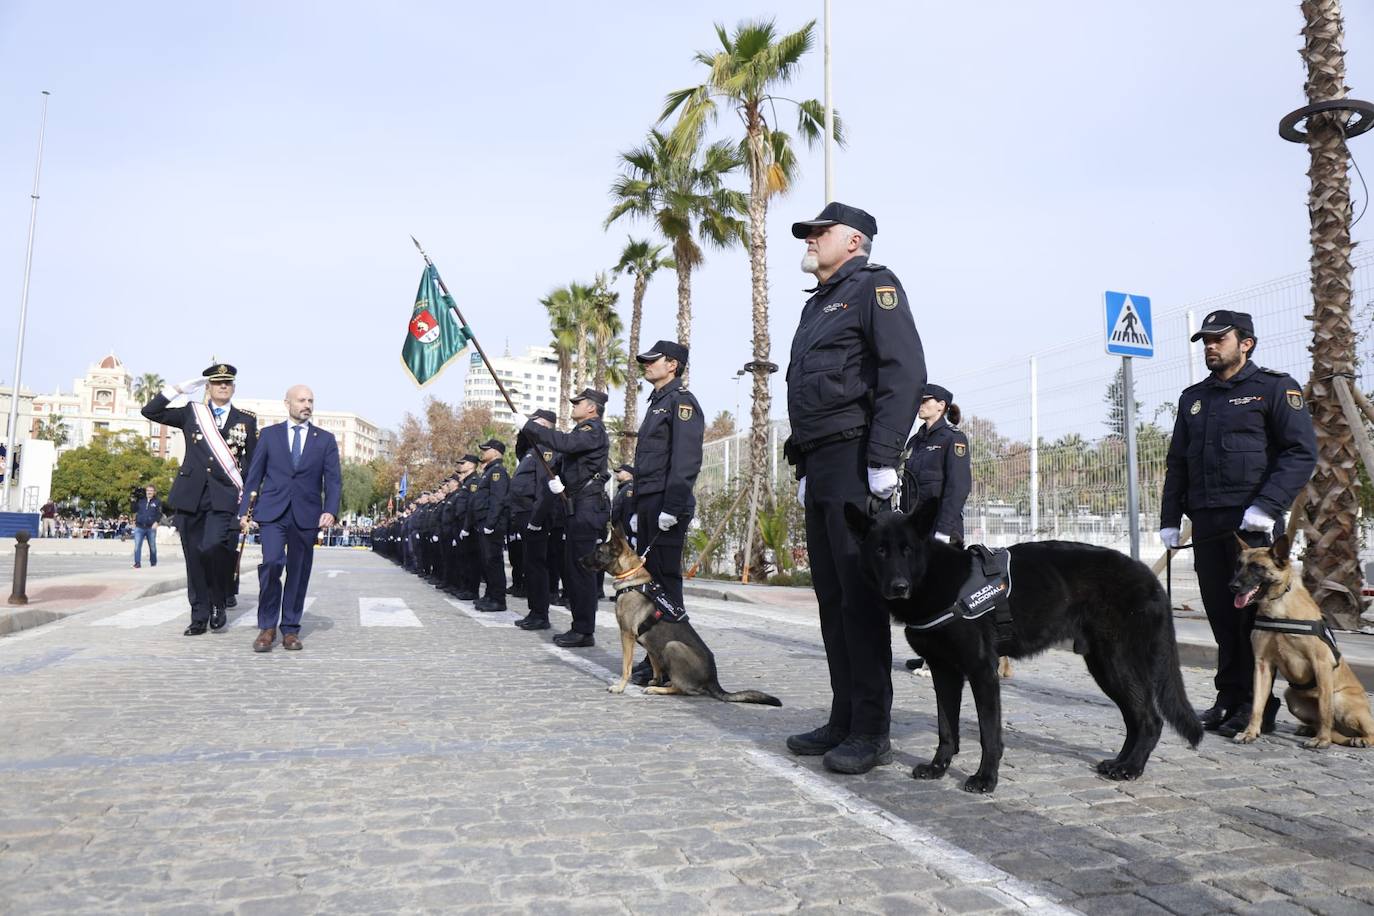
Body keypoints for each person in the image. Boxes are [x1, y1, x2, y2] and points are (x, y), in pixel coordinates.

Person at [782, 202, 925, 774]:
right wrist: (804, 466)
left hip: (856, 455)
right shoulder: (817, 305)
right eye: (810, 234)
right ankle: (844, 717)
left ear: (855, 242)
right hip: (822, 464)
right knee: (833, 598)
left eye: (821, 232)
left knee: (860, 600)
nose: (811, 240)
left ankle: (871, 729)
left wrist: (884, 457)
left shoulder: (875, 288)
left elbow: (904, 372)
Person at [1160, 310, 1316, 738]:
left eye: (1219, 339)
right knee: (1221, 614)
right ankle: (1228, 696)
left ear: (1246, 342)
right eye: (1205, 341)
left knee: (1251, 620)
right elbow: (1178, 463)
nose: (1210, 346)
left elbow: (1300, 453)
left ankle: (1256, 706)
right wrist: (1170, 518)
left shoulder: (1273, 388)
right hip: (1208, 522)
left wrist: (1267, 506)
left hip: (1252, 525)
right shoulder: (1194, 397)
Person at [142, 363, 258, 635]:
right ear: (208, 386)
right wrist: (179, 389)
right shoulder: (192, 413)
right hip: (190, 497)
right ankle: (199, 615)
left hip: (225, 498)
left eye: (227, 383)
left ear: (234, 387)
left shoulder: (246, 420)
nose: (222, 387)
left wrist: (249, 507)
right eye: (217, 383)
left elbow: (252, 466)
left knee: (214, 550)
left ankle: (219, 602)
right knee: (194, 558)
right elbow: (150, 411)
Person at [240, 384, 342, 652]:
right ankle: (267, 627)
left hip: (307, 515)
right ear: (287, 403)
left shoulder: (325, 440)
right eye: (301, 400)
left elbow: (333, 480)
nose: (307, 404)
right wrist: (244, 511)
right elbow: (254, 475)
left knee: (298, 572)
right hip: (273, 512)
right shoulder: (269, 435)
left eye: (310, 400)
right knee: (272, 563)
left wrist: (330, 509)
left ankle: (290, 629)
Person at [629, 339, 705, 685]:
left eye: (652, 360)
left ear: (672, 365)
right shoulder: (657, 403)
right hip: (649, 501)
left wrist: (672, 507)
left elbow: (686, 460)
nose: (646, 364)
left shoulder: (681, 403)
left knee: (666, 585)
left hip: (665, 504)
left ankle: (675, 660)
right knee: (651, 586)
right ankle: (656, 658)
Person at [520, 389, 610, 647]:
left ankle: (584, 630)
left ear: (592, 408)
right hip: (577, 505)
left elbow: (565, 444)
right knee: (573, 569)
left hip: (587, 506)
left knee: (581, 570)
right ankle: (580, 626)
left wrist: (529, 426)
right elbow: (563, 456)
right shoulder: (580, 431)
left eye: (578, 403)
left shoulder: (592, 429)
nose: (574, 406)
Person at [899, 383, 972, 673]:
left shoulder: (953, 439)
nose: (920, 404)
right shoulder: (915, 442)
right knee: (922, 596)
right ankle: (930, 652)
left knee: (944, 597)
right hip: (915, 530)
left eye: (925, 400)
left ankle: (945, 656)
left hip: (941, 530)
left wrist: (943, 530)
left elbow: (958, 488)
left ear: (941, 405)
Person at [516, 410, 559, 631]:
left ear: (543, 424)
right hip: (525, 515)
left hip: (535, 516)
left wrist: (537, 519)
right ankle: (534, 611)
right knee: (529, 566)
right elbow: (519, 447)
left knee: (536, 567)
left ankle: (540, 614)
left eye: (533, 422)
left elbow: (545, 488)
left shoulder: (547, 450)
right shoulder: (531, 450)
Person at [471, 438, 511, 611]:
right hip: (484, 522)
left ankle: (498, 599)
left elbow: (498, 500)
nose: (483, 453)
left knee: (493, 561)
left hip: (492, 524)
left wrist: (490, 523)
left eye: (486, 450)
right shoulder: (488, 471)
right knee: (486, 562)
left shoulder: (497, 472)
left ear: (495, 452)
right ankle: (489, 595)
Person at [507, 433, 540, 599]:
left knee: (535, 562)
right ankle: (533, 606)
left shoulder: (539, 454)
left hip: (531, 512)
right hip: (521, 513)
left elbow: (542, 488)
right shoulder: (528, 455)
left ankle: (540, 607)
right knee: (523, 559)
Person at [132, 485, 163, 569]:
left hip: (151, 527)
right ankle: (137, 563)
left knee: (152, 547)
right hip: (140, 526)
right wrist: (133, 501)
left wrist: (156, 522)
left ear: (154, 492)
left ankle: (153, 563)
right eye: (148, 490)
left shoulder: (157, 502)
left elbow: (159, 513)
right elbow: (133, 510)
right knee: (137, 546)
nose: (149, 492)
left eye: (151, 491)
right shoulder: (141, 500)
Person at [611, 463, 636, 543]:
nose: (617, 474)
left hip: (627, 533)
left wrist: (629, 533)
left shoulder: (630, 489)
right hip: (620, 532)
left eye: (620, 472)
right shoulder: (622, 489)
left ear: (628, 473)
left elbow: (628, 511)